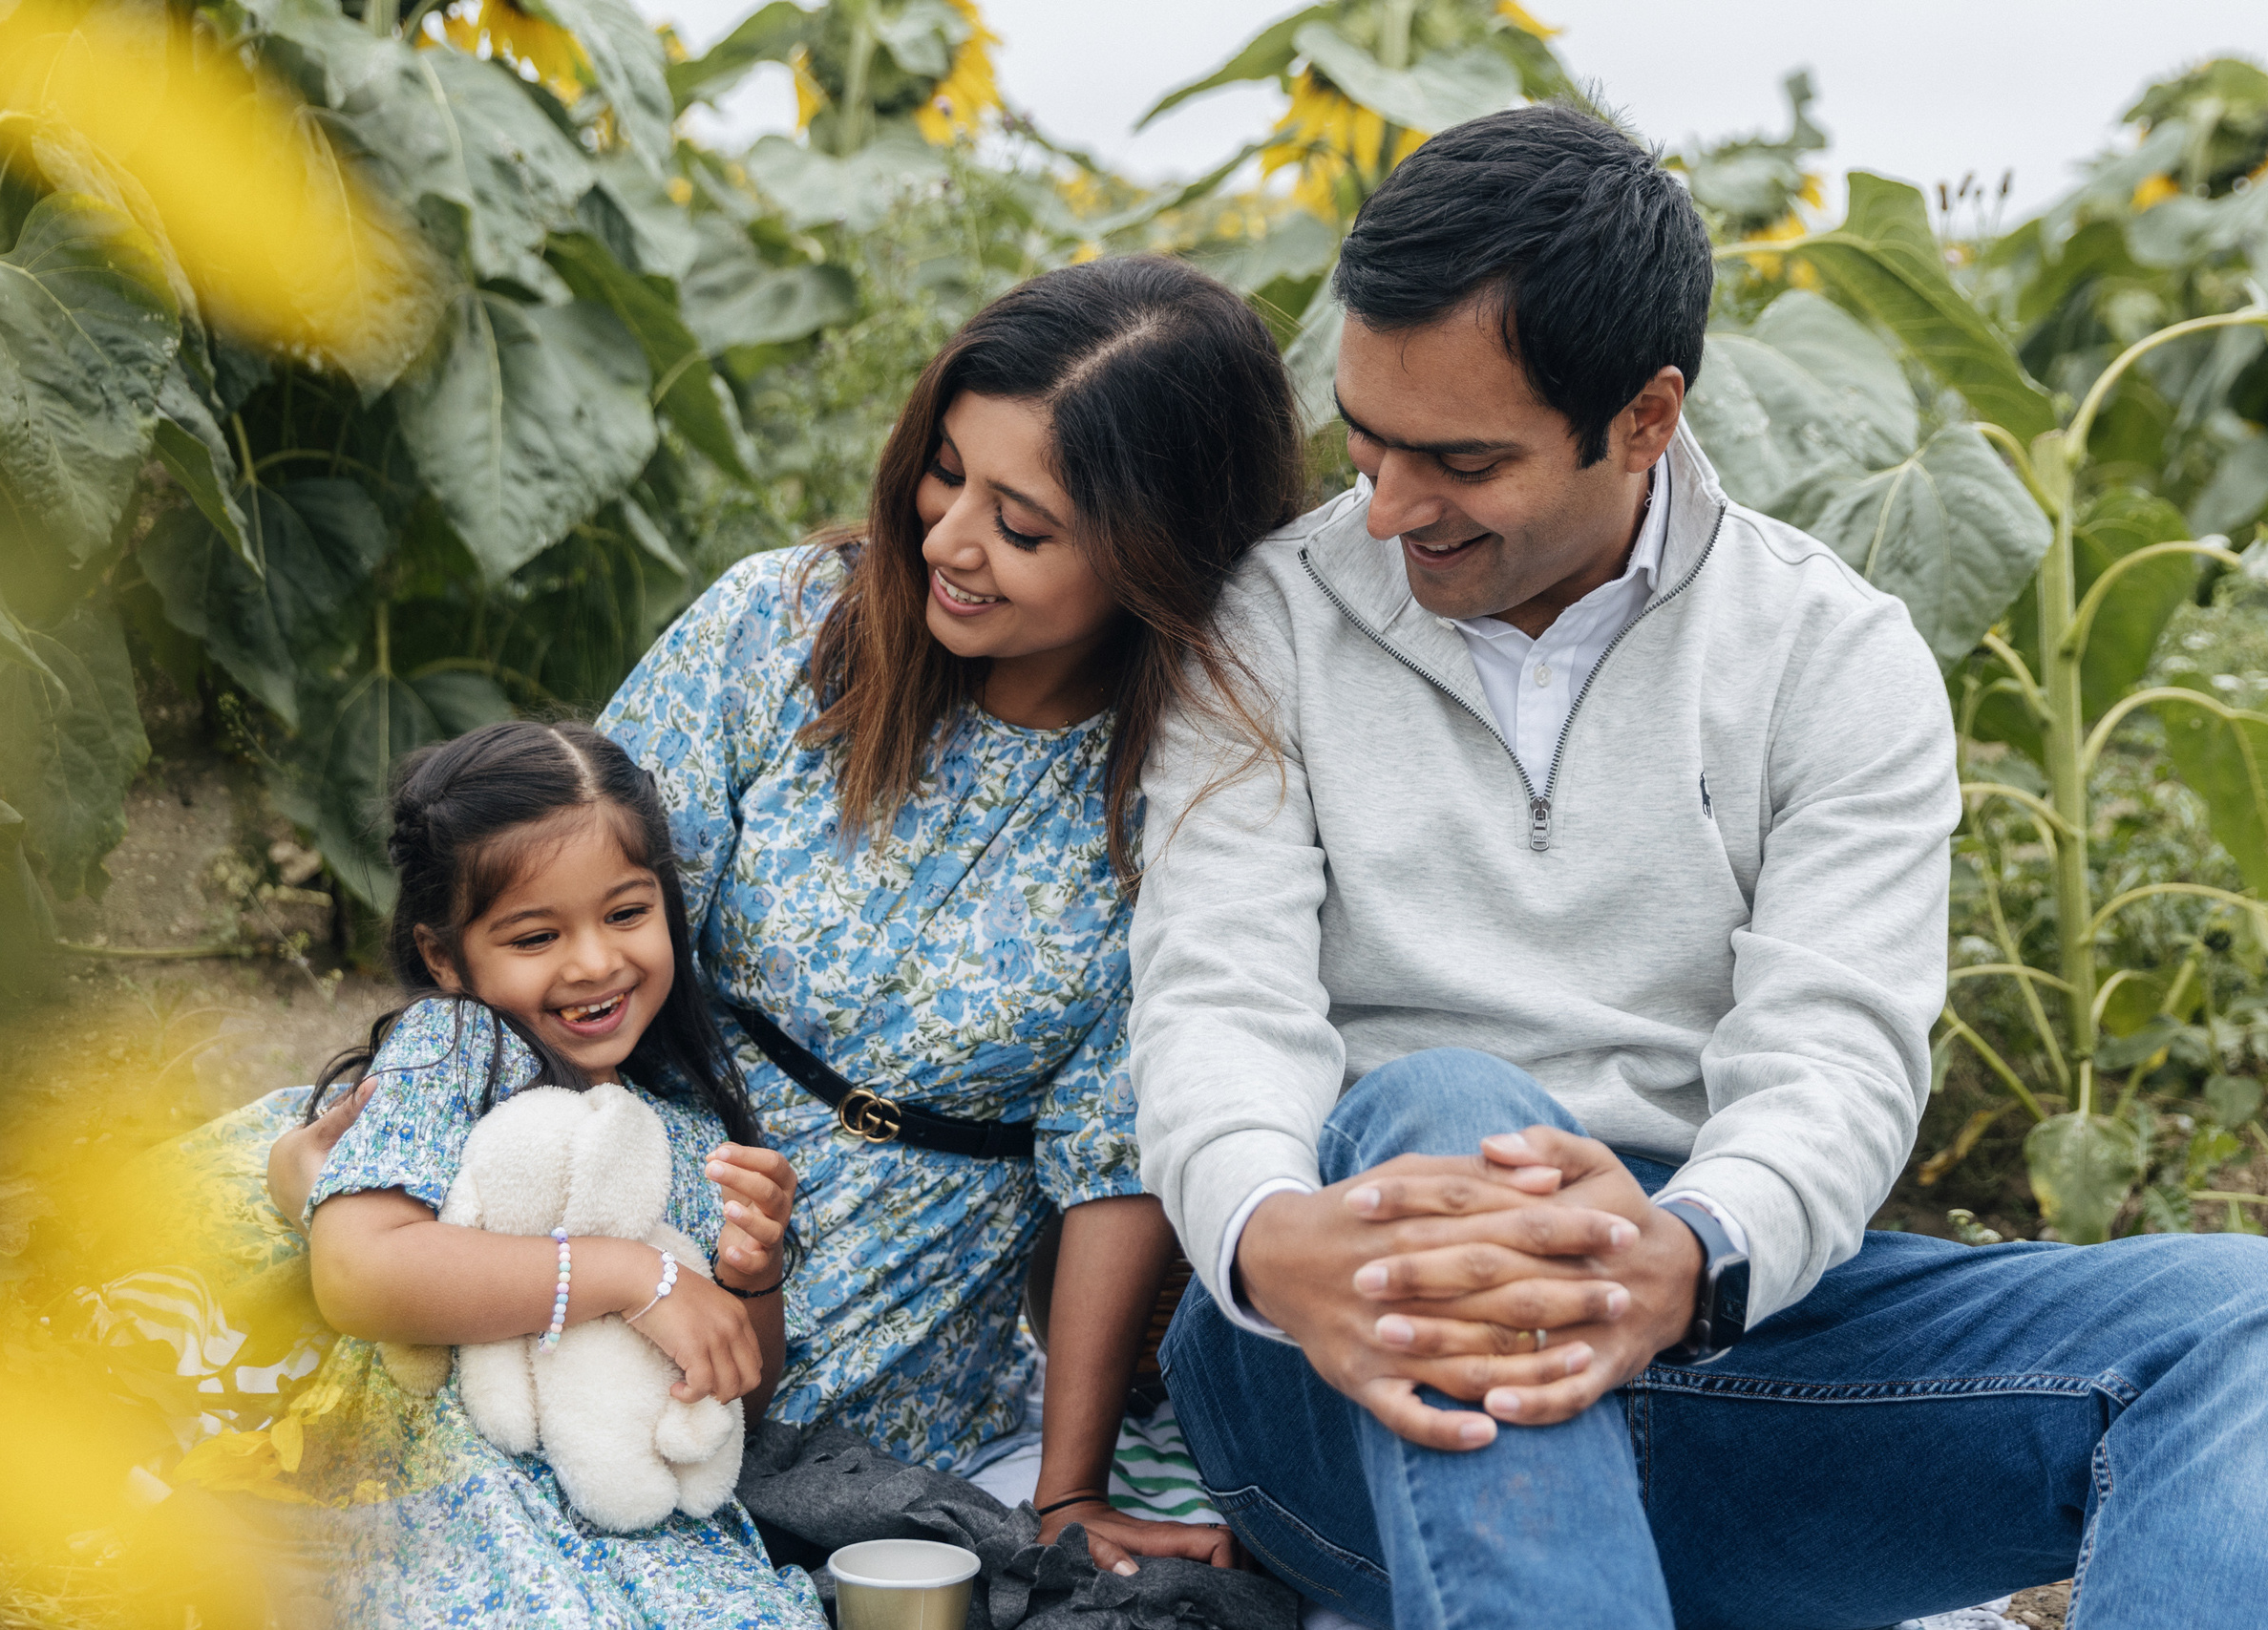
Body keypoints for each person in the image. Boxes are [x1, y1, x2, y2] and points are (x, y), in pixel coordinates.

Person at [1131, 104, 2268, 1630]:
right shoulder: (1266, 623)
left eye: (1461, 460)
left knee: (2242, 1322)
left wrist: (1688, 1254)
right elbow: (1217, 998)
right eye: (1367, 436)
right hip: (1338, 1359)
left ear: (1647, 416)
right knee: (1457, 1119)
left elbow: (1836, 1055)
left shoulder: (1831, 653)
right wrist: (1273, 1237)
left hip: (1719, 1337)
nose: (1388, 506)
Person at [279, 255, 1304, 1574]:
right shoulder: (789, 622)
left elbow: (1113, 1155)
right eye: (945, 471)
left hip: (898, 1289)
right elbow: (570, 902)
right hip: (612, 1162)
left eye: (1023, 525)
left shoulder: (1191, 786)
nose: (945, 541)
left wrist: (1067, 1490)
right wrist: (403, 1158)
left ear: (1161, 552)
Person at [282, 719, 824, 1628]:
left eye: (625, 913)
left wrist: (749, 1274)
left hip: (641, 1524)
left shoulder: (680, 1129)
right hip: (446, 1499)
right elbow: (356, 1272)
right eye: (535, 936)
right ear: (445, 957)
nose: (595, 962)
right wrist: (625, 1275)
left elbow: (738, 1391)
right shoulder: (457, 1051)